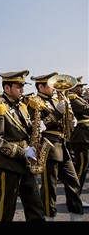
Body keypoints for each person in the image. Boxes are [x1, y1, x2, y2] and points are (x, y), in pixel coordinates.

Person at [0, 70, 45, 221]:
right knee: (6, 209)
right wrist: (22, 152)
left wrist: (37, 127)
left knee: (35, 206)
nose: (22, 90)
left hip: (26, 162)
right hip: (8, 164)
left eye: (22, 86)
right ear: (7, 88)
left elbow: (24, 130)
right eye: (18, 87)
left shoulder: (21, 106)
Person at [29, 73, 83, 221]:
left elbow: (63, 122)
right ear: (41, 87)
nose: (54, 88)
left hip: (62, 145)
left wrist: (71, 121)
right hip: (49, 146)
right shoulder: (34, 101)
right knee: (49, 187)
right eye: (50, 85)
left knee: (74, 182)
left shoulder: (56, 99)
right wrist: (57, 112)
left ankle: (76, 216)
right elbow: (39, 126)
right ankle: (48, 217)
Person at [69, 76, 89, 208]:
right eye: (79, 86)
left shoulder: (79, 98)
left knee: (83, 168)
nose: (81, 89)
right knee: (80, 169)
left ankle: (75, 197)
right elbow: (86, 109)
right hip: (80, 138)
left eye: (82, 86)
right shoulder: (72, 98)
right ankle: (74, 198)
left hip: (84, 137)